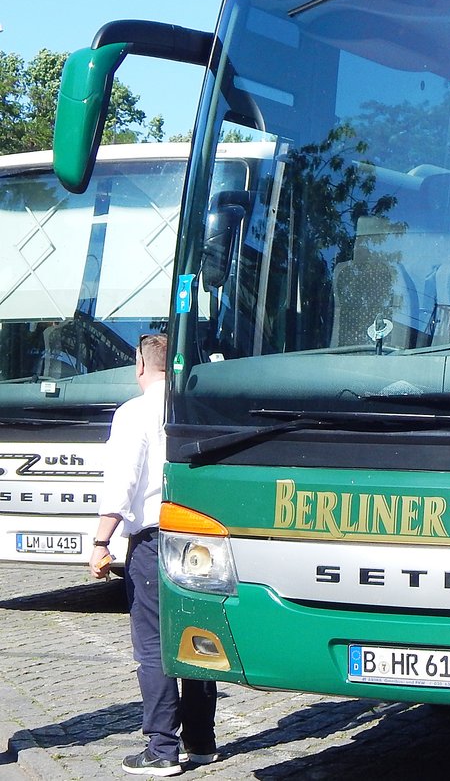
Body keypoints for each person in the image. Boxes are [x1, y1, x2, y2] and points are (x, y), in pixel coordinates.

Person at [89, 333, 218, 777]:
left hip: (153, 539)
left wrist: (101, 540)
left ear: (140, 365)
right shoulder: (195, 407)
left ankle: (162, 749)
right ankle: (201, 741)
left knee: (154, 644)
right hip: (202, 538)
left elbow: (122, 481)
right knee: (199, 637)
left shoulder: (134, 412)